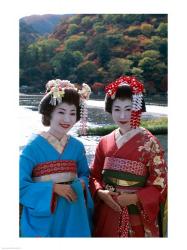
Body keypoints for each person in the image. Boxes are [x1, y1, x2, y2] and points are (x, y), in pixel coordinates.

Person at [89, 76, 167, 237]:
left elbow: (160, 184)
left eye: (129, 109)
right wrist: (100, 192)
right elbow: (94, 175)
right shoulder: (104, 141)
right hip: (107, 209)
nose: (123, 115)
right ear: (110, 110)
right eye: (117, 109)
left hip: (135, 212)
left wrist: (135, 197)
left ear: (137, 109)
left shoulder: (150, 143)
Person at [19, 79, 93, 237]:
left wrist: (81, 183)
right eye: (61, 112)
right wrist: (52, 188)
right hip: (45, 217)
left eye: (72, 113)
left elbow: (85, 175)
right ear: (49, 113)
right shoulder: (33, 147)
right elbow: (19, 184)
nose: (67, 119)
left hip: (73, 212)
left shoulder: (77, 147)